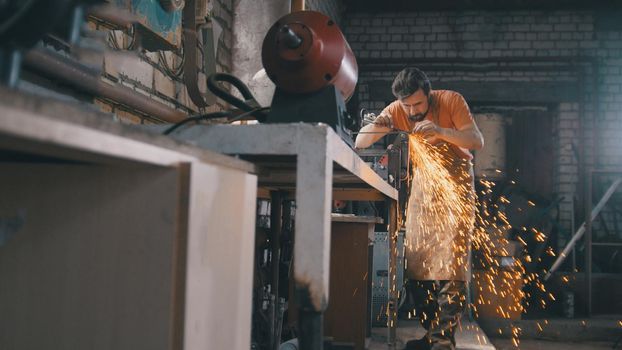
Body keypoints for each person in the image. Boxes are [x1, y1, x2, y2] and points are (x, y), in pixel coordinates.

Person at [355, 68, 484, 350]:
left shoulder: (451, 101)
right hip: (424, 190)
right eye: (407, 106)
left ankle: (442, 341)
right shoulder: (397, 110)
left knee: (451, 267)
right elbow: (360, 141)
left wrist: (440, 131)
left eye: (418, 104)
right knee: (418, 263)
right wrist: (383, 123)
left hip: (456, 188)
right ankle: (431, 332)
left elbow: (476, 140)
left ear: (429, 94)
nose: (412, 111)